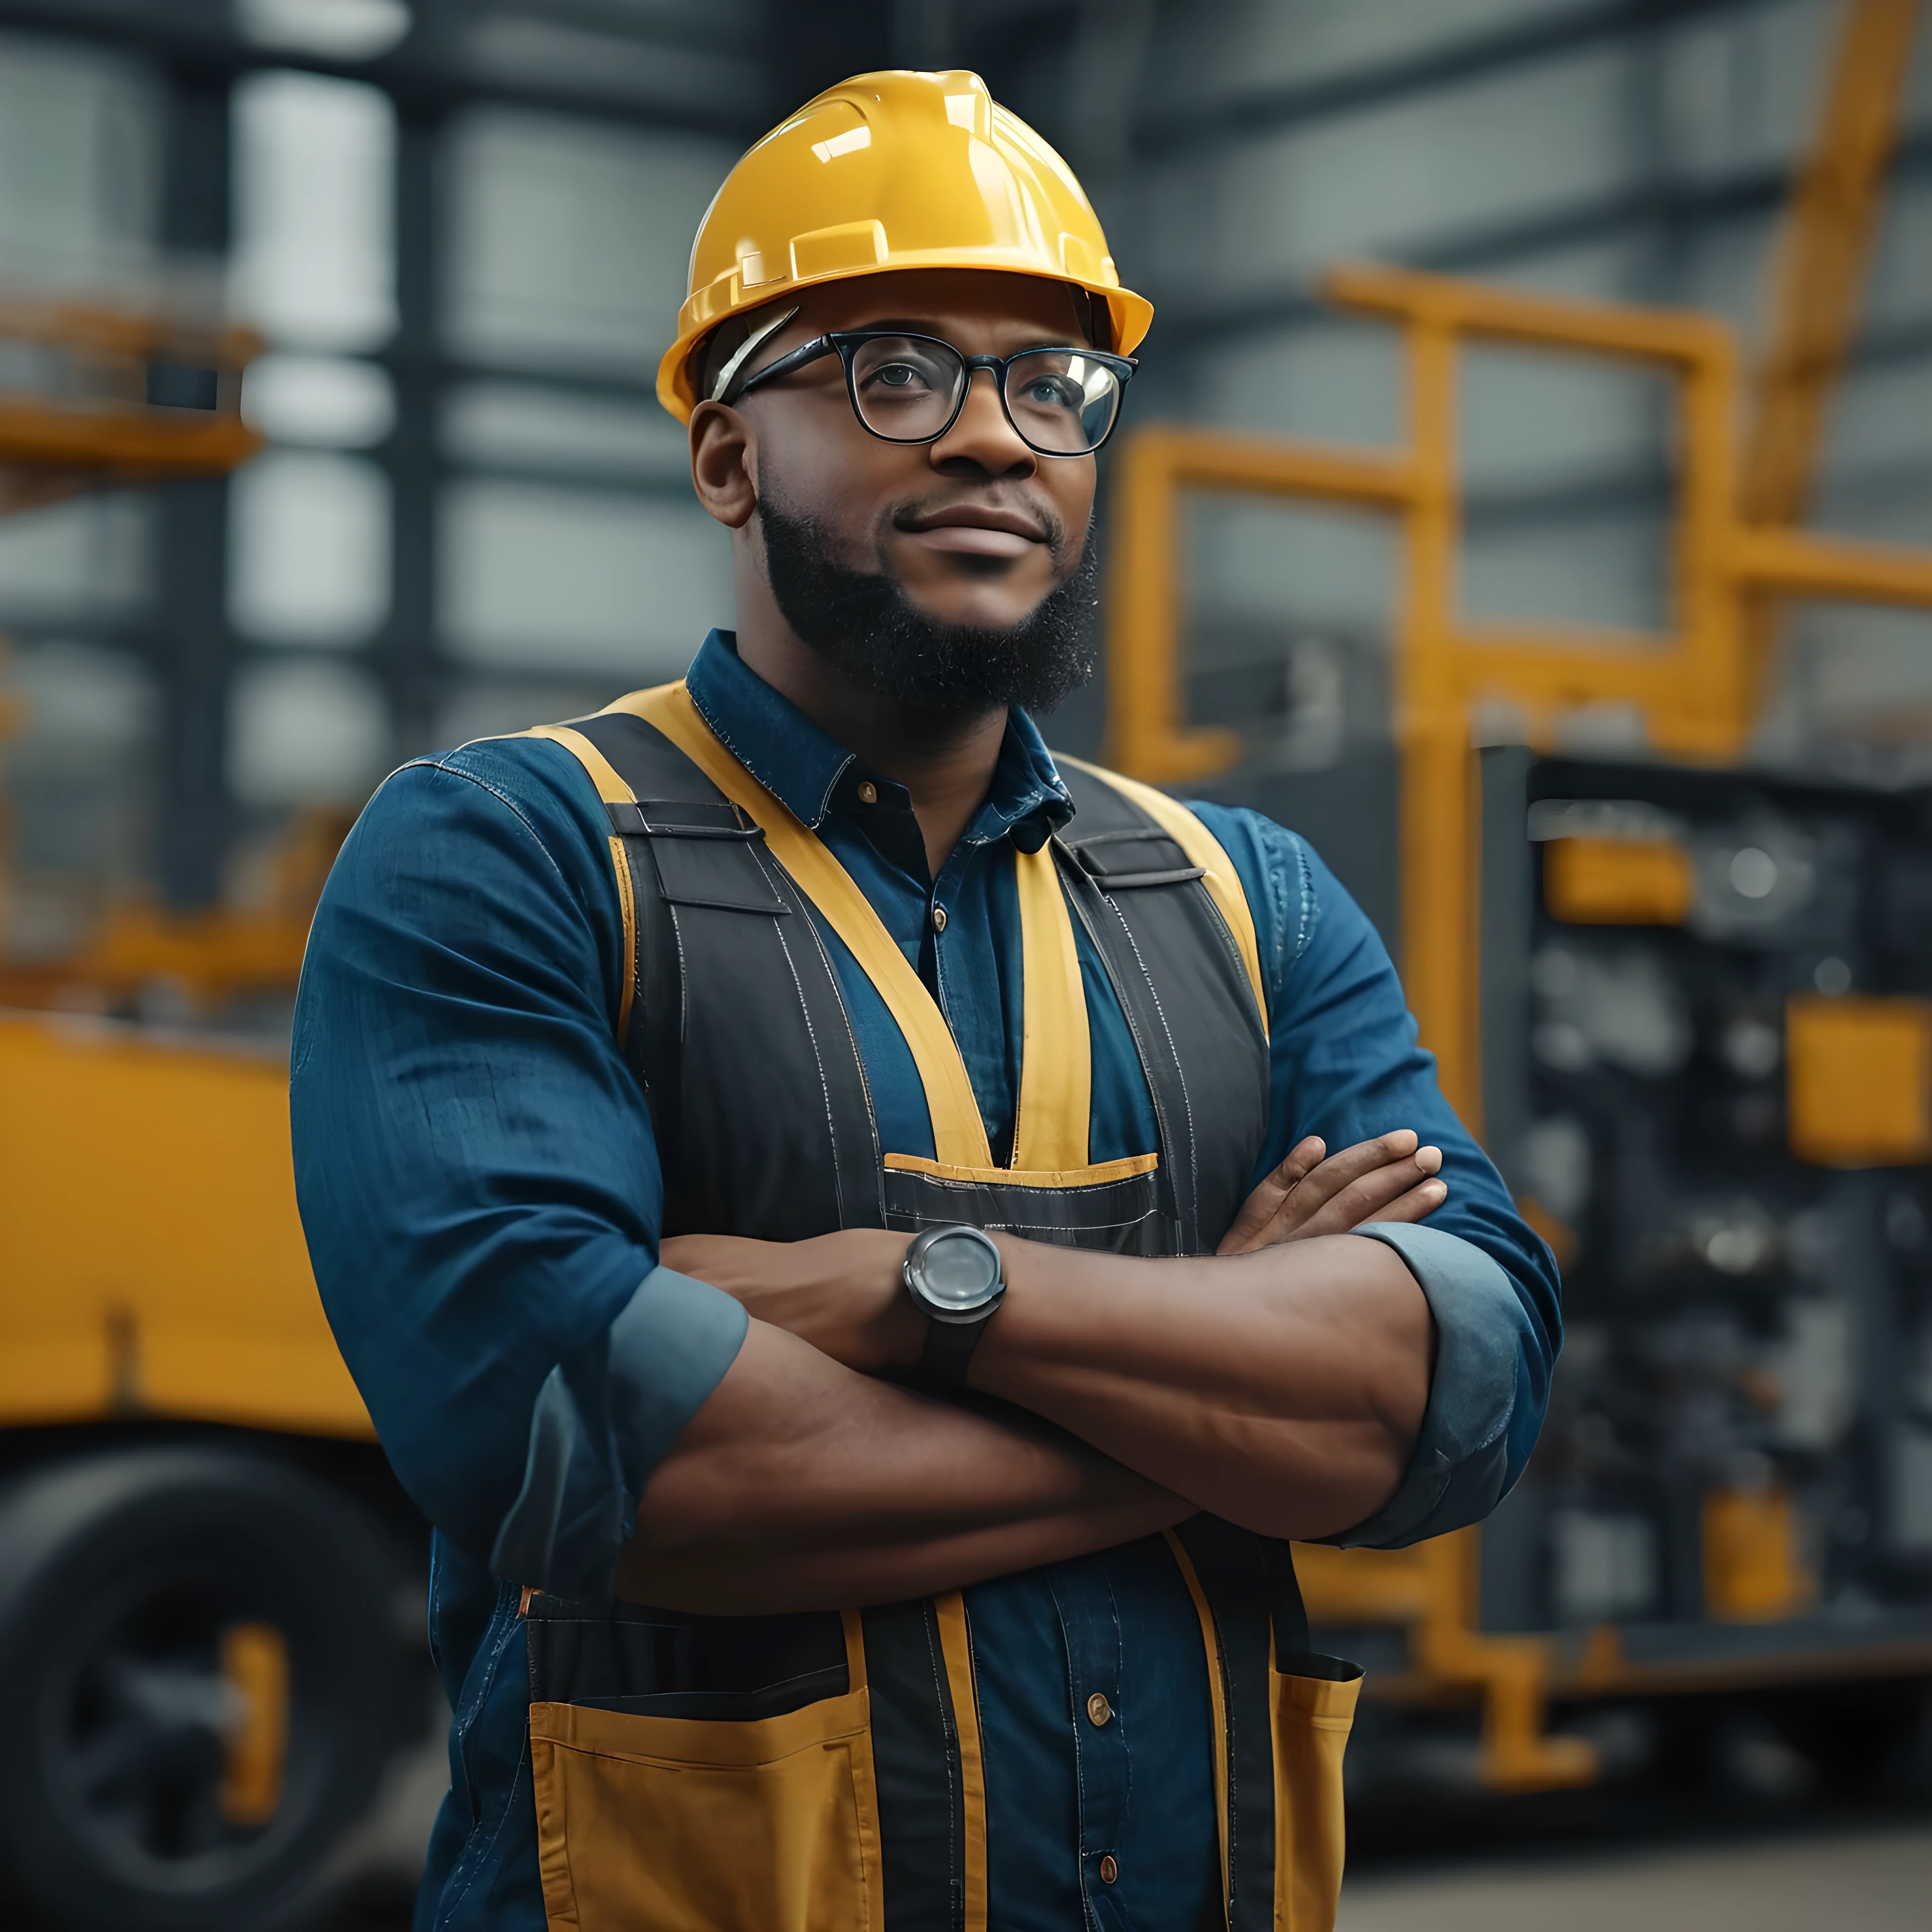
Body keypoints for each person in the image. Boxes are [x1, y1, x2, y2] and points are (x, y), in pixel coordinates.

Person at [292, 68, 1559, 1932]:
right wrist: (1221, 1379)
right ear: (729, 455)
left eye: (1053, 384)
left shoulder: (1238, 895)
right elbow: (599, 1458)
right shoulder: (513, 855)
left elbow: (1461, 1392)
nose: (994, 438)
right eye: (897, 369)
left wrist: (918, 1293)